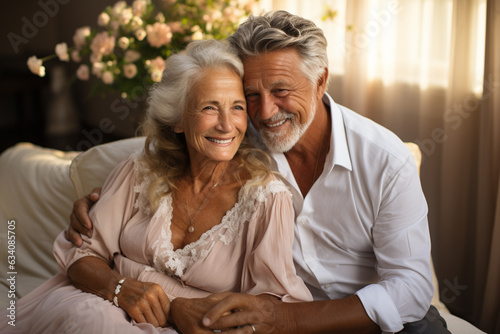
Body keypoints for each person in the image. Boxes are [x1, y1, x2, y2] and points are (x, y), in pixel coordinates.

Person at [68, 11, 451, 334]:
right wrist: (101, 200)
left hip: (368, 321)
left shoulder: (385, 160)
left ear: (320, 82)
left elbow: (412, 289)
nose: (266, 111)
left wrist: (280, 316)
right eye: (251, 94)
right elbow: (171, 146)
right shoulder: (238, 130)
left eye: (282, 90)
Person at [0, 39, 313, 334]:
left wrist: (174, 308)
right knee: (91, 320)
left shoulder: (266, 198)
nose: (226, 124)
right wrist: (119, 288)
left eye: (237, 107)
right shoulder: (141, 170)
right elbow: (81, 258)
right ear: (177, 120)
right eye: (208, 107)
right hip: (99, 303)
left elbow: (269, 307)